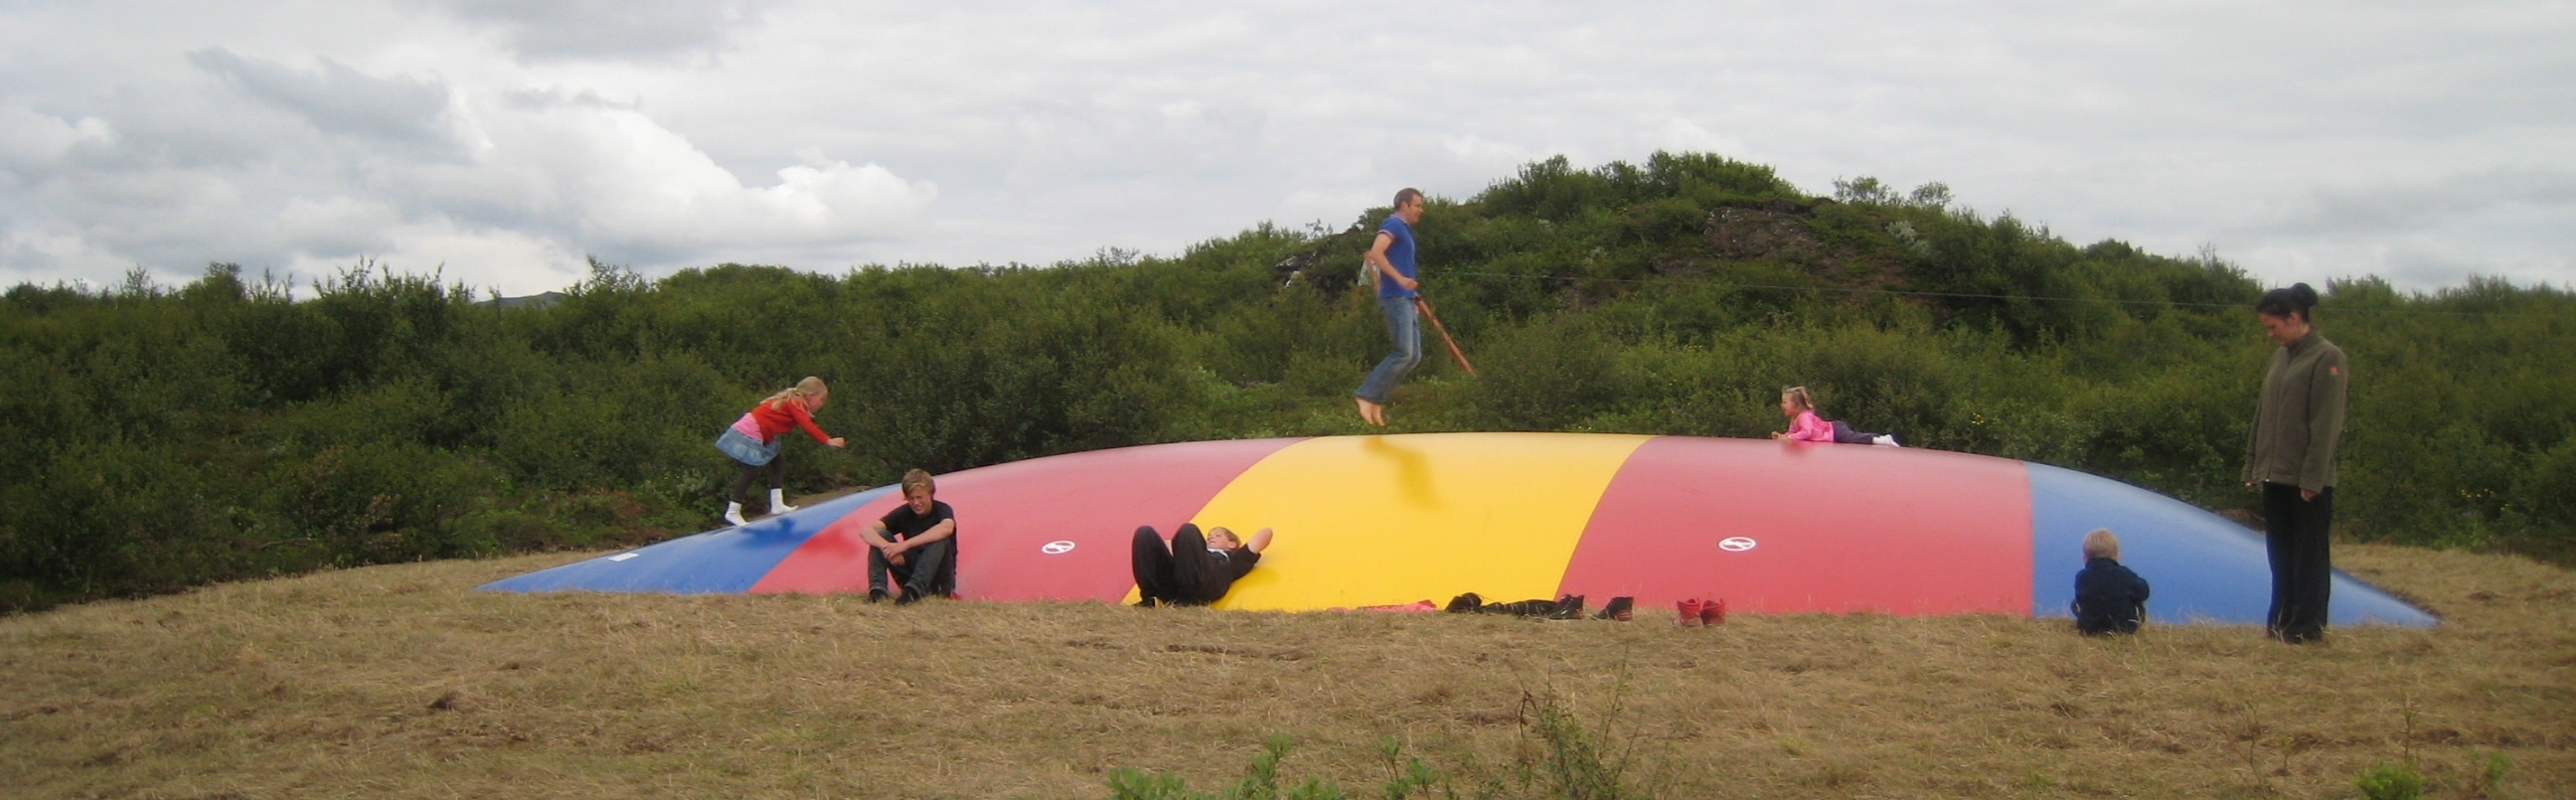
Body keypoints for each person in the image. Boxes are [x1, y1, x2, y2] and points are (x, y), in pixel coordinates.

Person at [2244, 283, 2347, 644]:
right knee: (2281, 553)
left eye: (2274, 326)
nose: (2271, 334)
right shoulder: (2281, 357)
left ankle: (2307, 627)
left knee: (2309, 554)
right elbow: (2263, 415)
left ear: (2294, 317)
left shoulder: (2327, 357)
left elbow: (2326, 423)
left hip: (2307, 479)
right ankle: (2282, 621)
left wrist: (2313, 476)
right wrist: (2253, 465)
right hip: (2274, 473)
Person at [715, 377, 846, 526]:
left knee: (778, 460)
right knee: (751, 471)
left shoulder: (795, 403)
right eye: (821, 399)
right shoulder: (795, 402)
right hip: (751, 430)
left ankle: (776, 504)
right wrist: (827, 440)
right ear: (810, 396)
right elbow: (806, 425)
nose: (822, 404)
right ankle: (732, 511)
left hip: (763, 434)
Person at [1354, 188, 1427, 426]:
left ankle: (1375, 400)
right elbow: (1376, 253)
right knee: (1402, 352)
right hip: (1394, 296)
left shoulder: (1404, 230)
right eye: (1417, 205)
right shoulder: (1393, 224)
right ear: (1404, 205)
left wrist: (1412, 295)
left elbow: (1403, 264)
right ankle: (1366, 395)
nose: (1420, 210)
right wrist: (1400, 279)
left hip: (1405, 298)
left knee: (1413, 356)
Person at [862, 469, 958, 604]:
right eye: (911, 498)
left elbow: (947, 528)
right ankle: (877, 590)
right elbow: (866, 531)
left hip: (939, 578)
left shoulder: (942, 510)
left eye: (919, 497)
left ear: (931, 494)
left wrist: (904, 545)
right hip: (911, 572)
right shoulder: (904, 513)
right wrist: (888, 548)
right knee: (880, 534)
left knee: (939, 538)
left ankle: (914, 591)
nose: (915, 503)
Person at [1131, 523, 1271, 607]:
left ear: (1232, 544)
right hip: (1174, 586)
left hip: (1201, 587)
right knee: (1145, 532)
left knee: (1188, 529)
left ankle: (1188, 599)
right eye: (1209, 535)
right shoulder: (1195, 552)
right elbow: (1166, 548)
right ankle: (1150, 598)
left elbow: (1266, 534)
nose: (1211, 537)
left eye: (1218, 535)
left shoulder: (1234, 557)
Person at [2070, 529, 2151, 635]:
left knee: (2074, 603)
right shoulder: (2125, 574)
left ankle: (2090, 622)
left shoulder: (2081, 576)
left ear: (2085, 558)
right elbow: (2143, 593)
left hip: (2090, 629)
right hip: (2125, 628)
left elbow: (2081, 600)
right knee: (2136, 599)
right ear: (2116, 556)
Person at [1769, 386, 1899, 446]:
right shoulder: (1795, 418)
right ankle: (1878, 439)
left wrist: (1790, 438)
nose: (1782, 405)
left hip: (1834, 430)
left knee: (1851, 438)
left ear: (1796, 405)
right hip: (1832, 431)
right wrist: (1783, 437)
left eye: (1785, 402)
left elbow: (1806, 432)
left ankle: (1879, 439)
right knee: (1851, 438)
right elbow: (1792, 432)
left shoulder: (1804, 416)